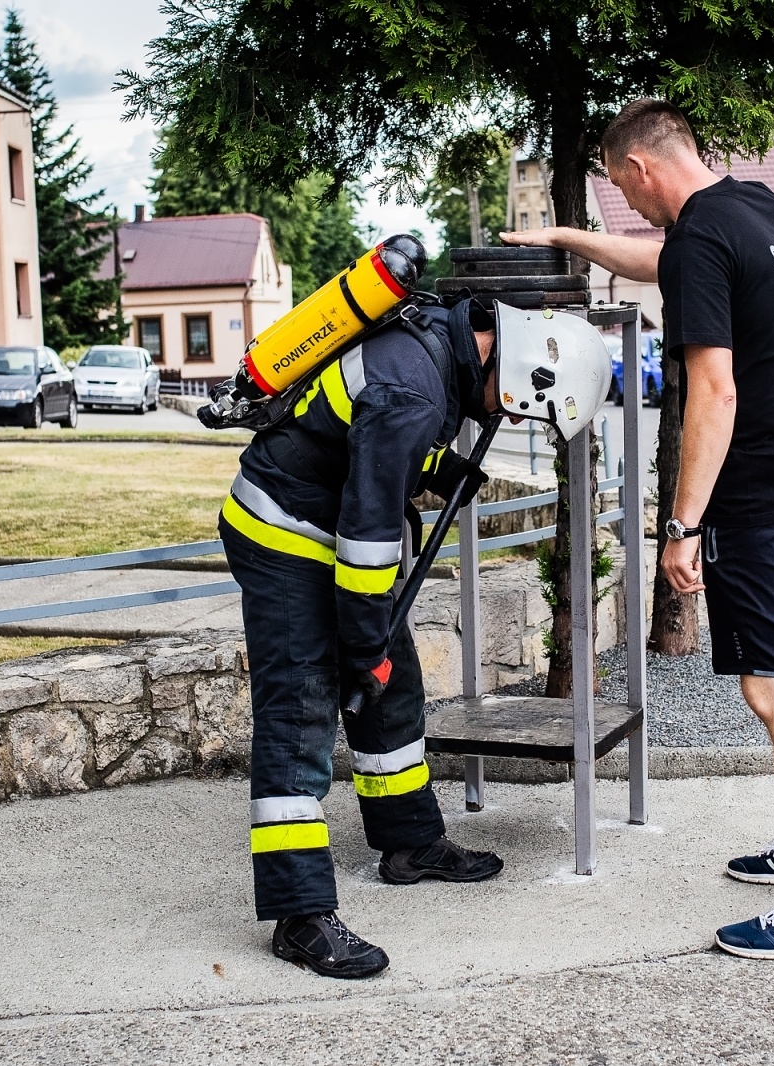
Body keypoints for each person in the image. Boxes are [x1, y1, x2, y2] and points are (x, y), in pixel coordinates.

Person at [502, 98, 774, 959]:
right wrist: (569, 239)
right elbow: (661, 260)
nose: (626, 204)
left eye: (620, 190)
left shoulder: (701, 236)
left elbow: (715, 393)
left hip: (760, 491)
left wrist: (682, 525)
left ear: (639, 169)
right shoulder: (754, 207)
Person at [221, 293, 608, 979]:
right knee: (300, 715)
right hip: (284, 534)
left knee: (391, 691)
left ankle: (409, 844)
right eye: (524, 407)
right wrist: (362, 647)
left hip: (327, 523)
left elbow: (358, 439)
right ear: (521, 372)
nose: (515, 418)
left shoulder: (437, 347)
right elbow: (368, 536)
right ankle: (299, 915)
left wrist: (436, 468)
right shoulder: (414, 388)